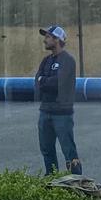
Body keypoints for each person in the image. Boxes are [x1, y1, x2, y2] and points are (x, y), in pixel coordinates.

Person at [34, 25, 81, 176]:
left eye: (48, 37)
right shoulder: (46, 60)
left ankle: (77, 181)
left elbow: (57, 83)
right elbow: (37, 81)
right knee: (46, 149)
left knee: (68, 150)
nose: (44, 40)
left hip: (62, 113)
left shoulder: (68, 60)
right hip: (45, 111)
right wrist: (44, 81)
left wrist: (44, 81)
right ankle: (51, 179)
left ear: (57, 39)